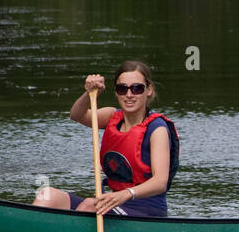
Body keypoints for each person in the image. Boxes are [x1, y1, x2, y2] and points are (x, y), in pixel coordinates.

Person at [34, 60, 179, 218]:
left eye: (137, 88)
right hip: (110, 202)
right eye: (122, 89)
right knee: (47, 195)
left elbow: (160, 182)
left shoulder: (157, 129)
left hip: (145, 211)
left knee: (90, 205)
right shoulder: (112, 116)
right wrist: (89, 93)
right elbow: (76, 115)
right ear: (116, 92)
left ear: (148, 90)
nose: (129, 95)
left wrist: (125, 194)